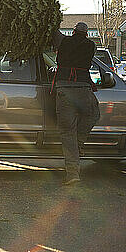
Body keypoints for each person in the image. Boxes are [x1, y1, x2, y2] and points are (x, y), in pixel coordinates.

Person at [52, 22, 100, 185]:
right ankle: (79, 141)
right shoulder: (91, 46)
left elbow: (53, 31)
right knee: (93, 114)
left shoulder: (63, 41)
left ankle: (73, 174)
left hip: (64, 90)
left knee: (67, 133)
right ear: (86, 34)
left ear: (73, 32)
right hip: (83, 90)